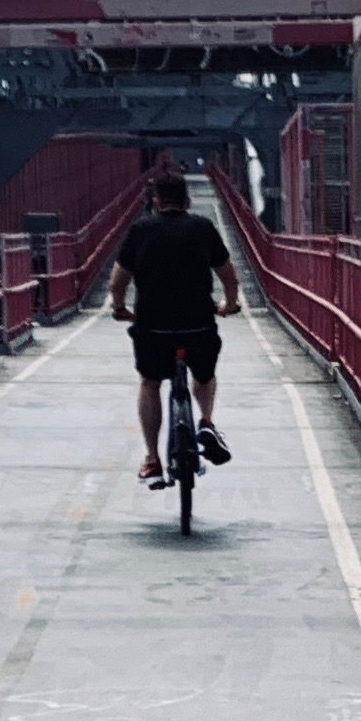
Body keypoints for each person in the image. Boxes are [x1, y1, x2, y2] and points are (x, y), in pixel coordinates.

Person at [108, 166, 241, 489]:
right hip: (198, 325)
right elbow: (229, 277)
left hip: (153, 327)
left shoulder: (140, 230)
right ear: (188, 201)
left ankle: (152, 460)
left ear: (156, 202)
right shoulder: (203, 227)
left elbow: (118, 281)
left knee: (150, 382)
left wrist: (120, 308)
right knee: (204, 375)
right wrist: (230, 304)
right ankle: (206, 421)